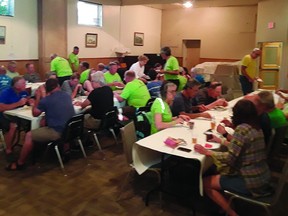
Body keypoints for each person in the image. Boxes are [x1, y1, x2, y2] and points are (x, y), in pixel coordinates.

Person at [194, 99, 272, 216]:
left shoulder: (241, 129)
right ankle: (228, 202)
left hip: (250, 182)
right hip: (263, 177)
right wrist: (221, 140)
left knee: (206, 182)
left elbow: (230, 158)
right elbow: (240, 148)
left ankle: (231, 212)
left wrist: (208, 152)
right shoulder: (256, 127)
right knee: (216, 170)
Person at [5, 78, 75, 171]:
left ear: (47, 89)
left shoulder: (47, 100)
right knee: (43, 123)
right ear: (58, 86)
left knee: (29, 135)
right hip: (70, 129)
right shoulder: (66, 96)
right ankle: (65, 151)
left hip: (58, 132)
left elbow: (35, 113)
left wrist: (38, 97)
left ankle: (20, 163)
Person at [0, 77, 29, 158]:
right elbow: (1, 107)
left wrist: (30, 101)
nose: (25, 85)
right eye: (23, 83)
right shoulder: (5, 93)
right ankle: (8, 149)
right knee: (13, 125)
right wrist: (18, 104)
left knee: (31, 123)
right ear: (16, 85)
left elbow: (27, 99)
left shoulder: (24, 92)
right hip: (3, 115)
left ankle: (30, 146)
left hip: (18, 115)